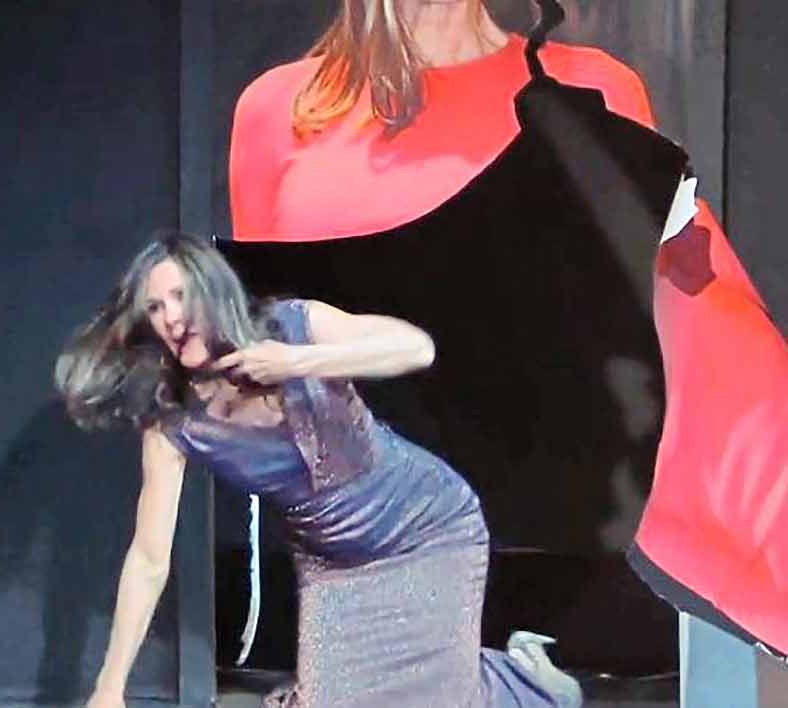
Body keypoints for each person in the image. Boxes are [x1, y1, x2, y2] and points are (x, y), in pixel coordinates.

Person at [227, 2, 788, 704]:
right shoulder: (279, 110)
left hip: (545, 600)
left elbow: (706, 350)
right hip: (355, 590)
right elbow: (266, 368)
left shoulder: (594, 91)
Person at [57, 233, 581, 708]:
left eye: (180, 296)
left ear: (212, 289)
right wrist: (110, 687)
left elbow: (417, 349)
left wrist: (296, 362)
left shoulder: (294, 324)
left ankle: (531, 684)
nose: (171, 318)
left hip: (427, 529)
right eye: (154, 307)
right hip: (334, 568)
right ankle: (501, 674)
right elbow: (149, 559)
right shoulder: (174, 419)